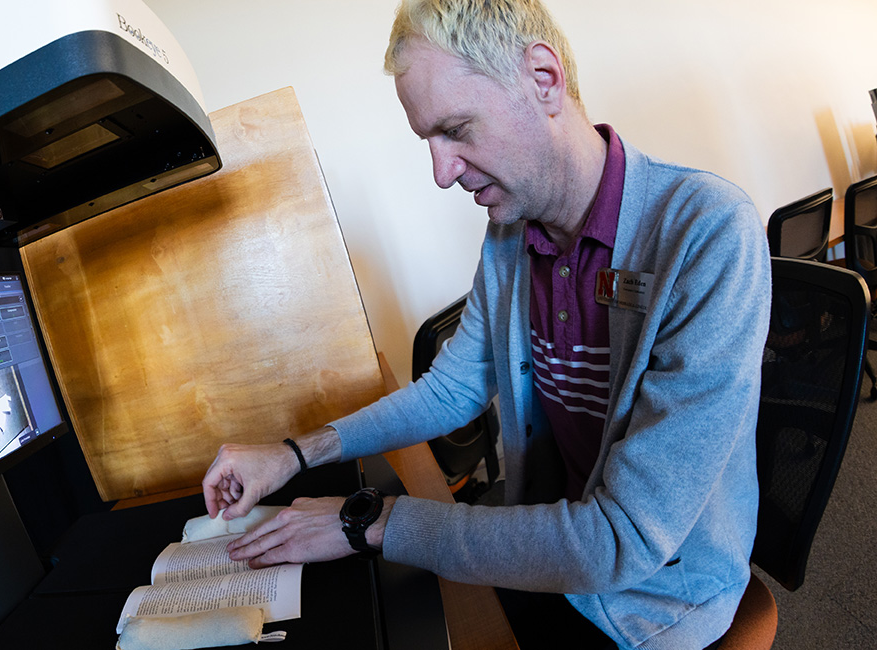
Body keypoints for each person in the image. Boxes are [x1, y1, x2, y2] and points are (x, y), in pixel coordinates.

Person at [202, 1, 771, 648]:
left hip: (655, 602)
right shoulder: (511, 235)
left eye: (457, 130)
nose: (442, 173)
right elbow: (453, 389)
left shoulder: (707, 232)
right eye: (429, 142)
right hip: (561, 556)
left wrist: (369, 522)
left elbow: (621, 541)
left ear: (543, 79)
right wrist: (294, 454)